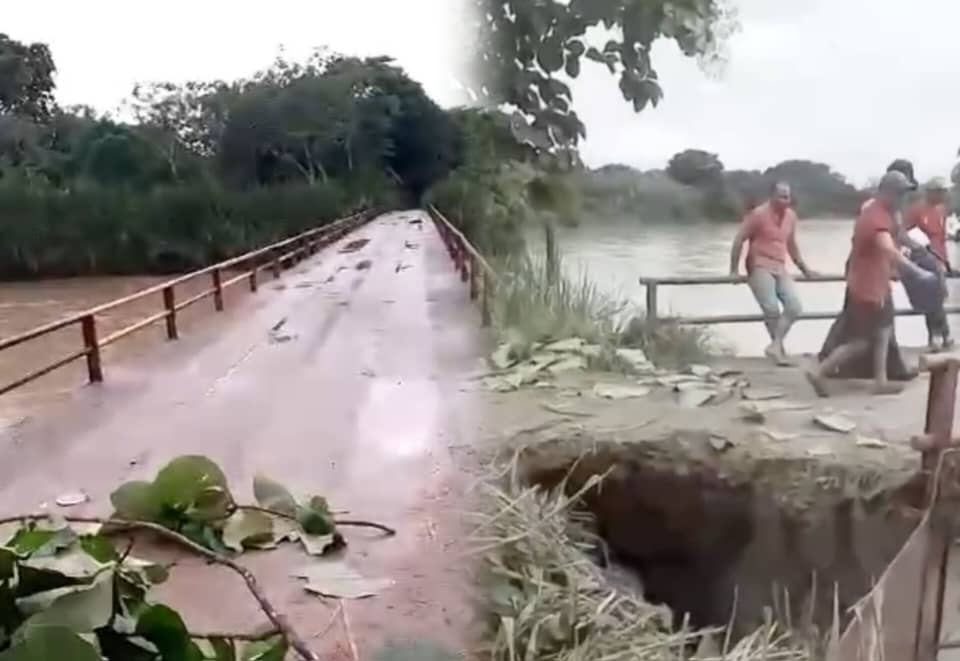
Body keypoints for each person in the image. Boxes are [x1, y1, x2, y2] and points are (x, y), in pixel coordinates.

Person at [806, 170, 938, 397]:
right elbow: (888, 248)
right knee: (862, 341)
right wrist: (917, 273)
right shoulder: (875, 217)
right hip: (868, 288)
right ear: (888, 192)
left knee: (883, 331)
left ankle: (880, 380)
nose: (903, 199)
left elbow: (898, 236)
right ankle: (821, 372)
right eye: (900, 193)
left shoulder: (886, 213)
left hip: (878, 284)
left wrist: (916, 247)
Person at [729, 181, 817, 365]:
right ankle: (779, 352)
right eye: (782, 196)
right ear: (772, 197)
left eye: (788, 196)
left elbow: (792, 246)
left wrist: (805, 269)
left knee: (794, 306)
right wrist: (733, 270)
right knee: (771, 308)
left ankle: (775, 345)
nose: (786, 200)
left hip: (779, 265)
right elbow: (739, 240)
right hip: (759, 264)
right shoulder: (758, 215)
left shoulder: (791, 217)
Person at [905, 177, 953, 350]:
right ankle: (938, 336)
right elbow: (905, 234)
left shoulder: (941, 210)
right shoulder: (916, 210)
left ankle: (943, 335)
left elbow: (941, 238)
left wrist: (946, 262)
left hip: (938, 259)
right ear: (932, 192)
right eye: (941, 191)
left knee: (938, 299)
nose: (944, 195)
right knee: (931, 300)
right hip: (923, 260)